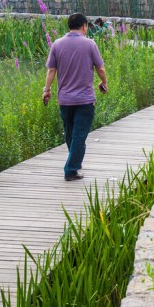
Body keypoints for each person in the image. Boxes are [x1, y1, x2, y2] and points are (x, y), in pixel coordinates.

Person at [42, 13, 109, 181]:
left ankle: (75, 164)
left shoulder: (57, 44)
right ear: (85, 26)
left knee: (71, 135)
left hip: (65, 100)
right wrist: (104, 82)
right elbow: (100, 68)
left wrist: (47, 90)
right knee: (79, 136)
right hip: (85, 99)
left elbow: (51, 70)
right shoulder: (90, 44)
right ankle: (71, 169)